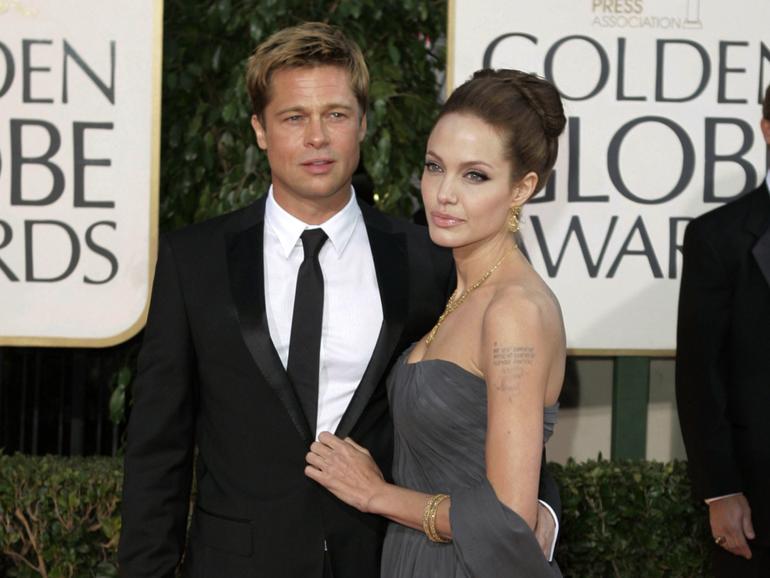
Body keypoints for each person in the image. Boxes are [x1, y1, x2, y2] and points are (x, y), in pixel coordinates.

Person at [118, 23, 560, 578]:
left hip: (383, 559)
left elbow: (489, 416)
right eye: (294, 117)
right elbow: (158, 447)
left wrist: (538, 510)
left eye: (336, 114)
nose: (317, 138)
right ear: (259, 129)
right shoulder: (195, 262)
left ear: (363, 123)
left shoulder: (428, 260)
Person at [306, 69, 566, 577]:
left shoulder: (514, 310)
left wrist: (376, 494)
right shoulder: (458, 288)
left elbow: (510, 515)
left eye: (475, 175)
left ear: (522, 188)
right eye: (434, 167)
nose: (444, 193)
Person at [676, 84, 770, 577]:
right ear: (767, 129)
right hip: (758, 504)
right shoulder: (717, 237)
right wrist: (720, 488)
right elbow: (699, 374)